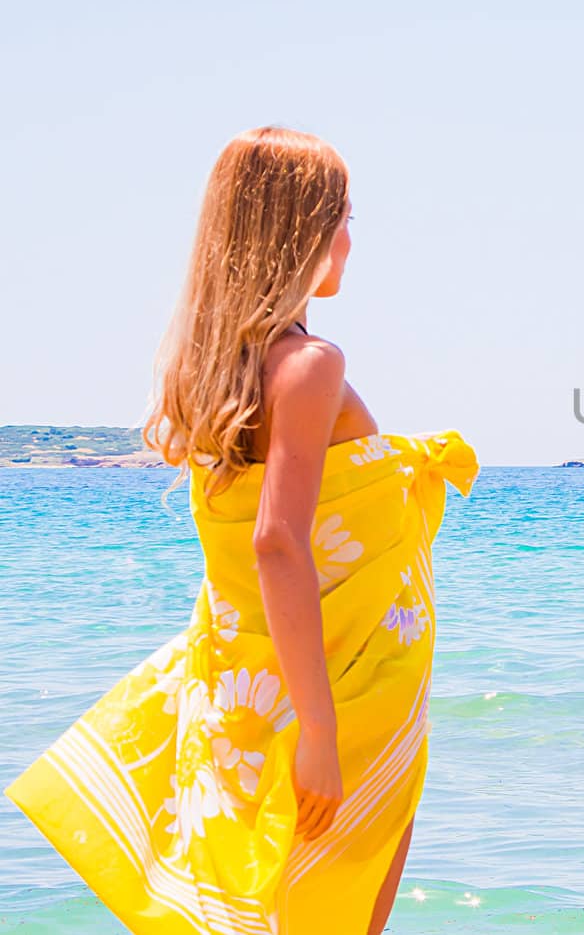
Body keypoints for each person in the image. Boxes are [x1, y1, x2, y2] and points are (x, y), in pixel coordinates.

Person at [5, 125, 479, 933]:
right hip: (343, 687)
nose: (349, 239)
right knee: (341, 913)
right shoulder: (308, 364)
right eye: (343, 216)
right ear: (305, 231)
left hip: (263, 679)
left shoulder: (222, 371)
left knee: (282, 906)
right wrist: (321, 728)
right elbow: (274, 539)